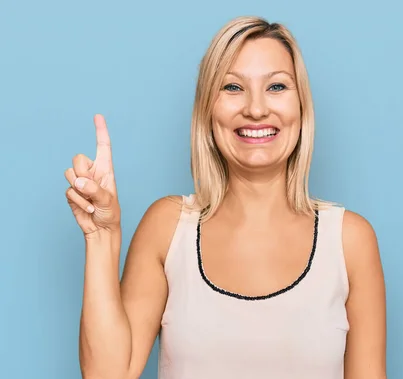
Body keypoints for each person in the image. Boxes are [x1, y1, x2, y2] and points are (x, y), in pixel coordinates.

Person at [64, 15, 386, 379]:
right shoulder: (168, 228)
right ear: (208, 109)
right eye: (233, 87)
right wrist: (101, 236)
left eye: (277, 87)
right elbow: (107, 375)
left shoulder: (350, 240)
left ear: (301, 107)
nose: (256, 108)